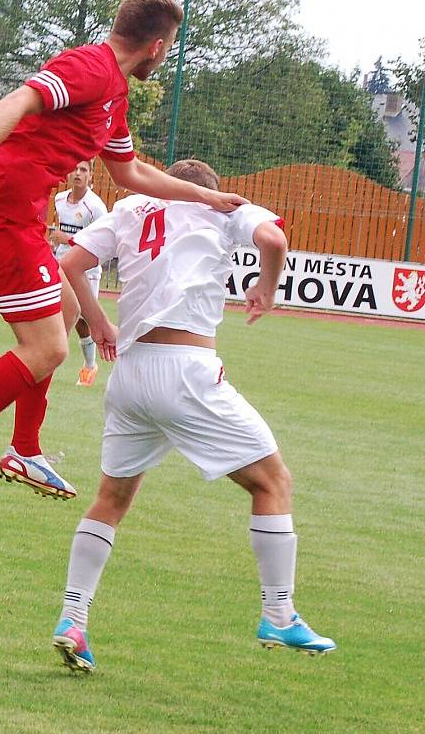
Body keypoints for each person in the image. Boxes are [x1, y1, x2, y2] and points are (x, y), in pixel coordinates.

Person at [0, 0, 250, 527]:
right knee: (47, 349)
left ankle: (23, 448)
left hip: (19, 216)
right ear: (157, 46)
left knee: (63, 316)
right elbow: (18, 101)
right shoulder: (91, 66)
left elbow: (130, 173)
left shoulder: (115, 95)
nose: (168, 54)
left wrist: (204, 196)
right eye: (172, 46)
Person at [52, 159, 336, 673]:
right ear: (210, 191)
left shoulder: (132, 207)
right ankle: (278, 611)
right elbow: (273, 241)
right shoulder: (223, 208)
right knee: (272, 482)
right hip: (187, 372)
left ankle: (73, 618)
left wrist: (97, 324)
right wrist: (267, 289)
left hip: (131, 375)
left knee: (110, 500)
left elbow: (70, 263)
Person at [50, 160, 107, 387]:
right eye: (74, 169)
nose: (78, 173)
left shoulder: (96, 207)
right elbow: (60, 232)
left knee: (84, 319)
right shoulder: (60, 200)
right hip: (61, 263)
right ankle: (50, 360)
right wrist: (56, 245)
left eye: (83, 170)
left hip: (86, 269)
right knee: (59, 311)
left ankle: (90, 365)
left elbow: (101, 243)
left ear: (91, 175)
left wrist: (69, 240)